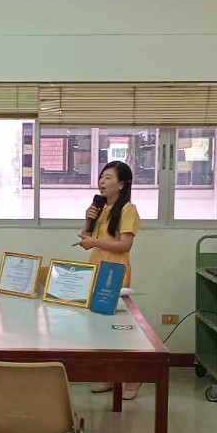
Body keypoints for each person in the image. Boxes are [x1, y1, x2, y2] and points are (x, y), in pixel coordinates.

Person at [76, 161, 142, 400]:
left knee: (118, 328)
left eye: (108, 178)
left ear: (122, 184)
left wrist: (94, 242)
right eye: (101, 177)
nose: (102, 182)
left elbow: (125, 245)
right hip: (96, 268)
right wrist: (88, 219)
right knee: (99, 326)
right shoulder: (101, 207)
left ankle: (133, 378)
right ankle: (110, 376)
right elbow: (86, 237)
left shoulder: (128, 209)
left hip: (114, 272)